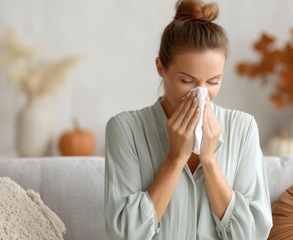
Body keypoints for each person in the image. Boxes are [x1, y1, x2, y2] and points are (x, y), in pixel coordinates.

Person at [105, 0, 273, 239]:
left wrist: (210, 161)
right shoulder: (125, 130)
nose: (202, 93)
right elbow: (123, 234)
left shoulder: (243, 128)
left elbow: (253, 234)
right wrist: (175, 158)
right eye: (187, 81)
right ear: (160, 67)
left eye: (214, 81)